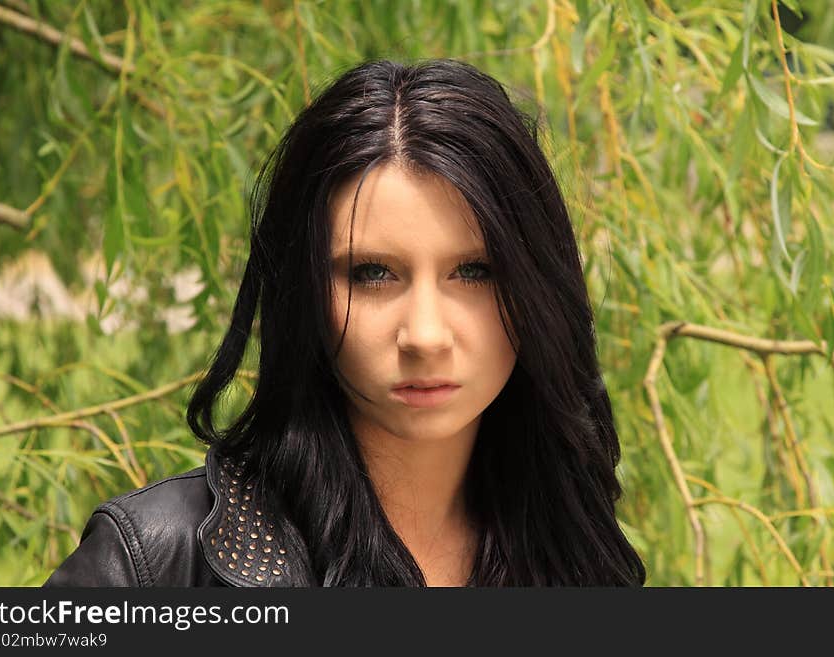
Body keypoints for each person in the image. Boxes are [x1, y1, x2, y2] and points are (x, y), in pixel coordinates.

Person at [44, 58, 646, 587]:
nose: (427, 336)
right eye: (373, 275)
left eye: (474, 271)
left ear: (539, 285)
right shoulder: (151, 567)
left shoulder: (578, 555)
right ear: (303, 293)